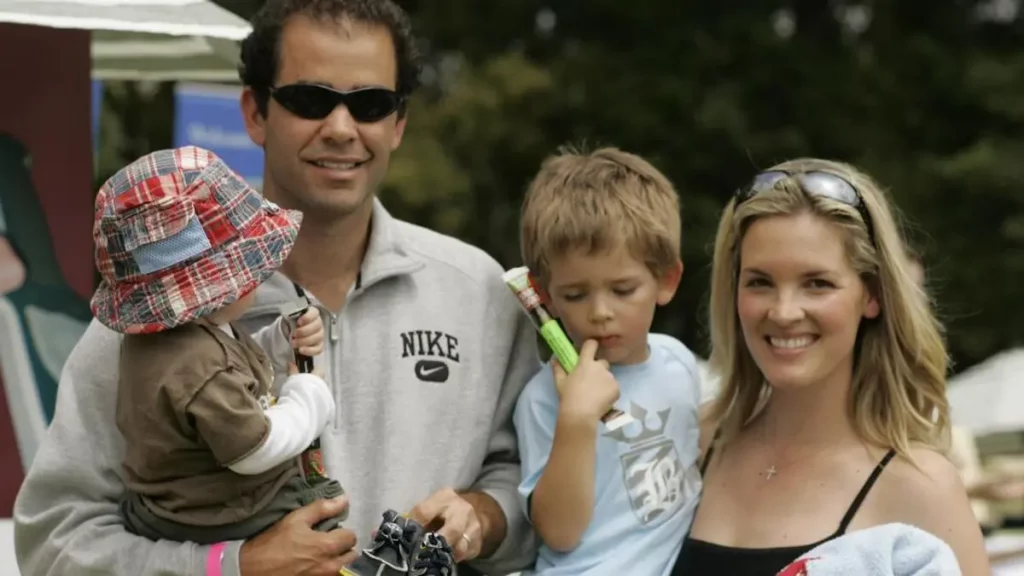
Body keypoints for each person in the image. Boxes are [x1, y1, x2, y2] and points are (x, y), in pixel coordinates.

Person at [13, 1, 540, 575]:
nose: (341, 128)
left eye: (370, 104)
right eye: (311, 100)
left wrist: (483, 518)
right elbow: (53, 539)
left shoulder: (480, 291)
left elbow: (531, 484)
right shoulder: (149, 314)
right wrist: (232, 565)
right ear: (255, 112)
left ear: (398, 122)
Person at [670, 159, 991, 575]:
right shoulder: (691, 444)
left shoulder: (919, 485)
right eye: (760, 282)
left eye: (817, 283)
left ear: (871, 295)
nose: (784, 312)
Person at [90, 145, 346, 543]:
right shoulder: (199, 365)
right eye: (250, 271)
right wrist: (307, 396)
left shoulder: (173, 337)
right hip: (222, 510)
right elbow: (255, 448)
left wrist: (279, 344)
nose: (260, 279)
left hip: (159, 506)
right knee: (322, 508)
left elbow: (221, 379)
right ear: (215, 289)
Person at [512, 147, 703, 575]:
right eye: (576, 295)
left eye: (623, 290)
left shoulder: (678, 363)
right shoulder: (544, 399)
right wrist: (576, 420)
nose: (600, 312)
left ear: (666, 281)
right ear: (545, 298)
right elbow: (560, 533)